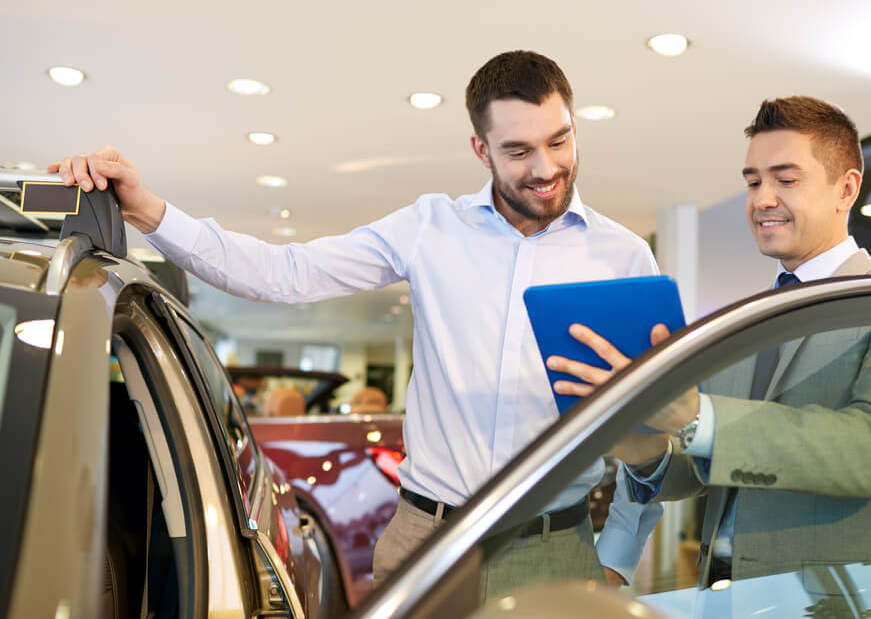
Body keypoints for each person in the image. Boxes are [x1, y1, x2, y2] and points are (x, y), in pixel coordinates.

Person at [52, 50, 662, 594]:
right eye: (518, 150)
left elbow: (654, 419)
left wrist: (618, 557)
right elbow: (284, 273)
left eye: (559, 141)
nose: (545, 167)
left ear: (575, 127)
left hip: (554, 551)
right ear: (481, 150)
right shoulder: (430, 227)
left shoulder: (624, 258)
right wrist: (150, 211)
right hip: (427, 543)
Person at [547, 96, 871, 586]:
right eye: (753, 181)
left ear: (847, 189)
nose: (761, 199)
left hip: (832, 602)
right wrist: (631, 436)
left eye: (786, 179)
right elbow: (702, 471)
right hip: (719, 595)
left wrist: (696, 416)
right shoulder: (751, 321)